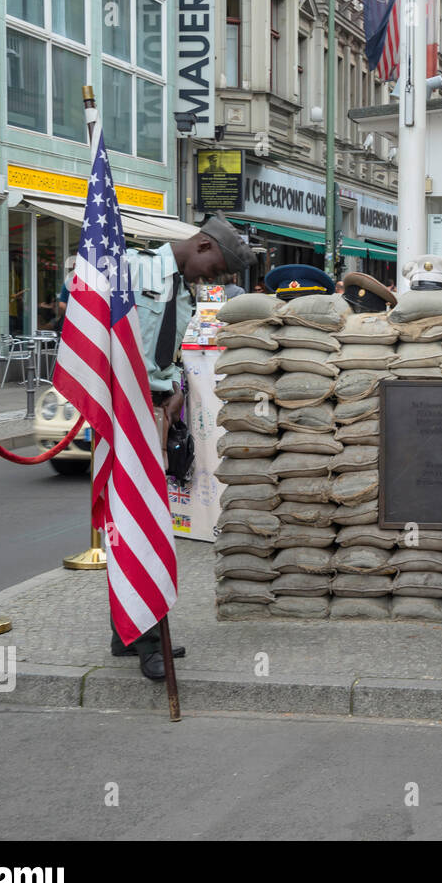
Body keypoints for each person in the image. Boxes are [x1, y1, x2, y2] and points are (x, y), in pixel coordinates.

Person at [114, 213, 257, 680]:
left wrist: (174, 385)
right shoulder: (131, 270)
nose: (211, 280)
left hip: (154, 408)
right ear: (201, 245)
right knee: (143, 525)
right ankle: (150, 642)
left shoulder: (180, 288)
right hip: (124, 409)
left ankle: (128, 632)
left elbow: (166, 351)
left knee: (134, 522)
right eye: (214, 270)